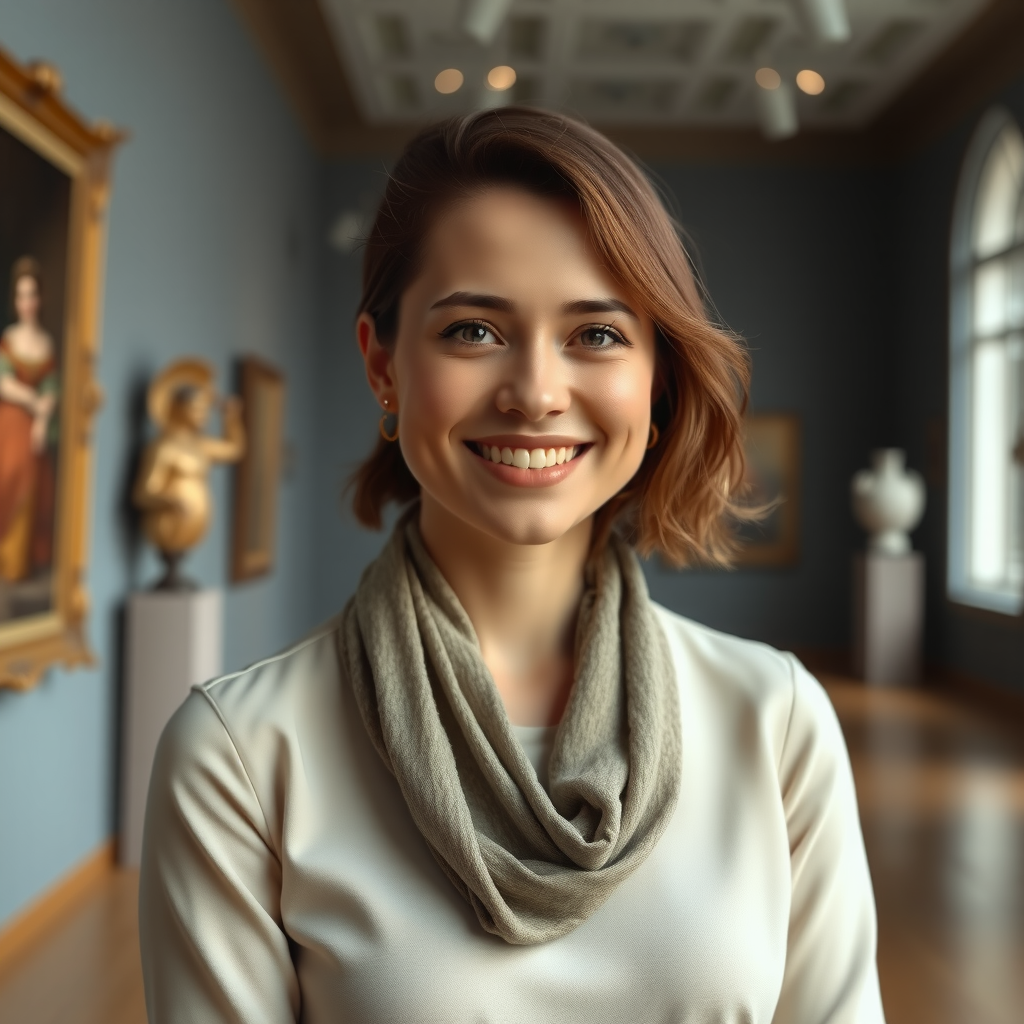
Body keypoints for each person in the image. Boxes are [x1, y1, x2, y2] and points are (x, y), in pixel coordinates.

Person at [139, 108, 885, 1023]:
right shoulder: (241, 756)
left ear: (657, 379)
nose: (535, 391)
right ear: (383, 365)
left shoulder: (775, 722)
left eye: (598, 335)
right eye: (473, 332)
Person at [0, 256, 57, 585]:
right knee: (10, 473)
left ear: (40, 298)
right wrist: (34, 403)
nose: (26, 303)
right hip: (10, 421)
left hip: (34, 425)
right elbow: (4, 383)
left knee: (36, 484)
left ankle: (19, 564)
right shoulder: (9, 339)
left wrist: (41, 418)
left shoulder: (45, 342)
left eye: (31, 294)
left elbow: (52, 386)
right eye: (21, 295)